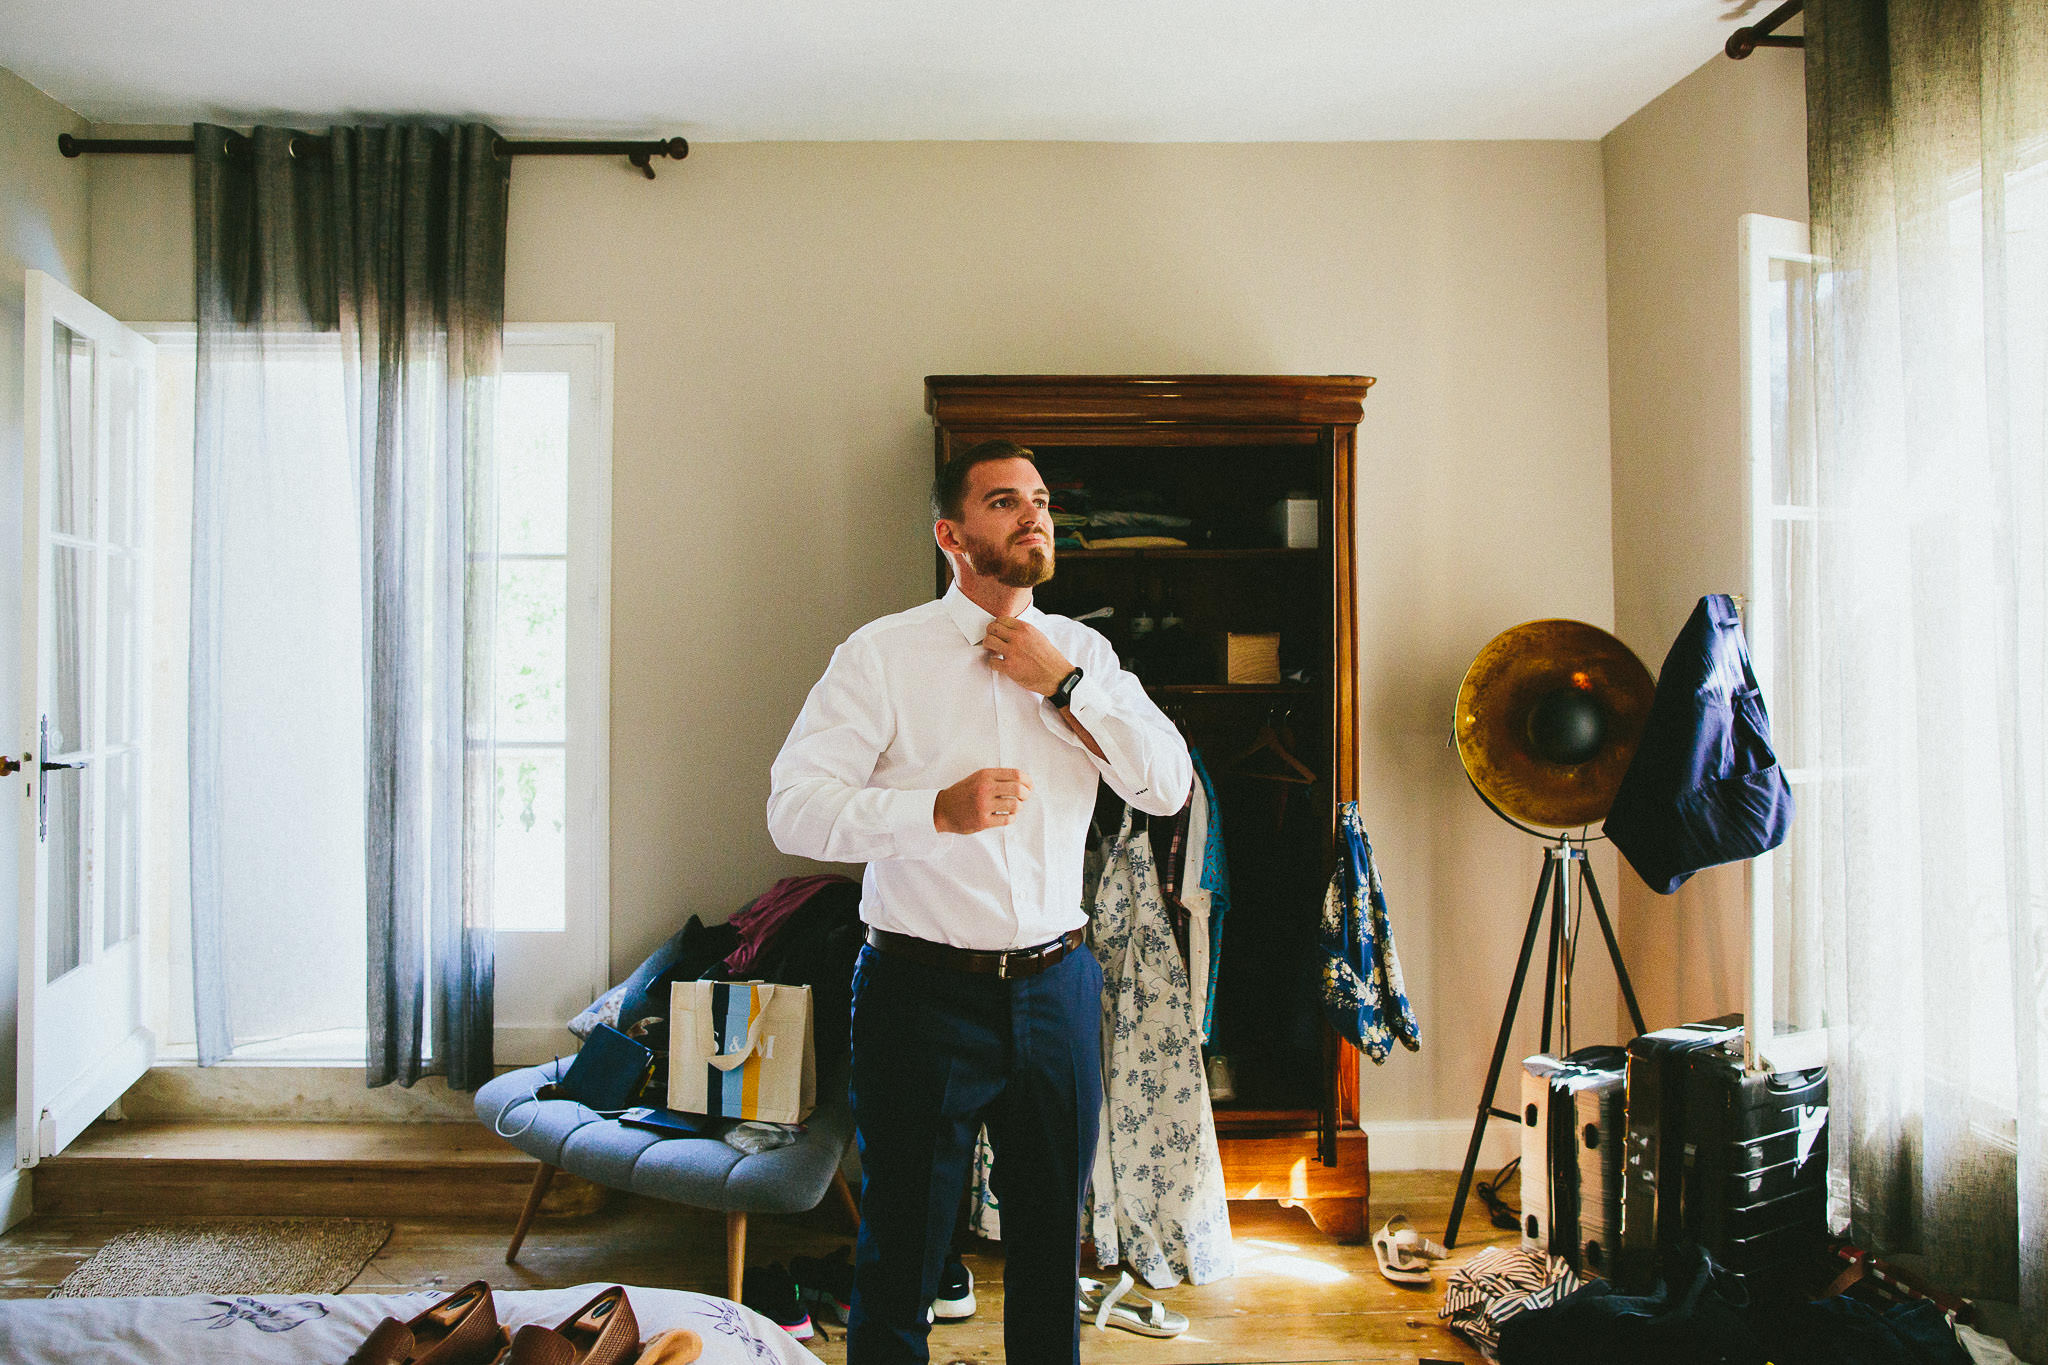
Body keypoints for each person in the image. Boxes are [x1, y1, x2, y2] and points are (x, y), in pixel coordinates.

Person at [767, 439, 1192, 1365]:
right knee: (904, 1250)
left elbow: (1168, 786)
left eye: (1039, 500)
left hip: (1057, 987)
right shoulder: (881, 657)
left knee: (1049, 1248)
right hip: (919, 995)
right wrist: (934, 812)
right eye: (1005, 501)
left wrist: (1066, 686)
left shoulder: (1085, 653)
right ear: (950, 534)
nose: (1034, 515)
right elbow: (792, 806)